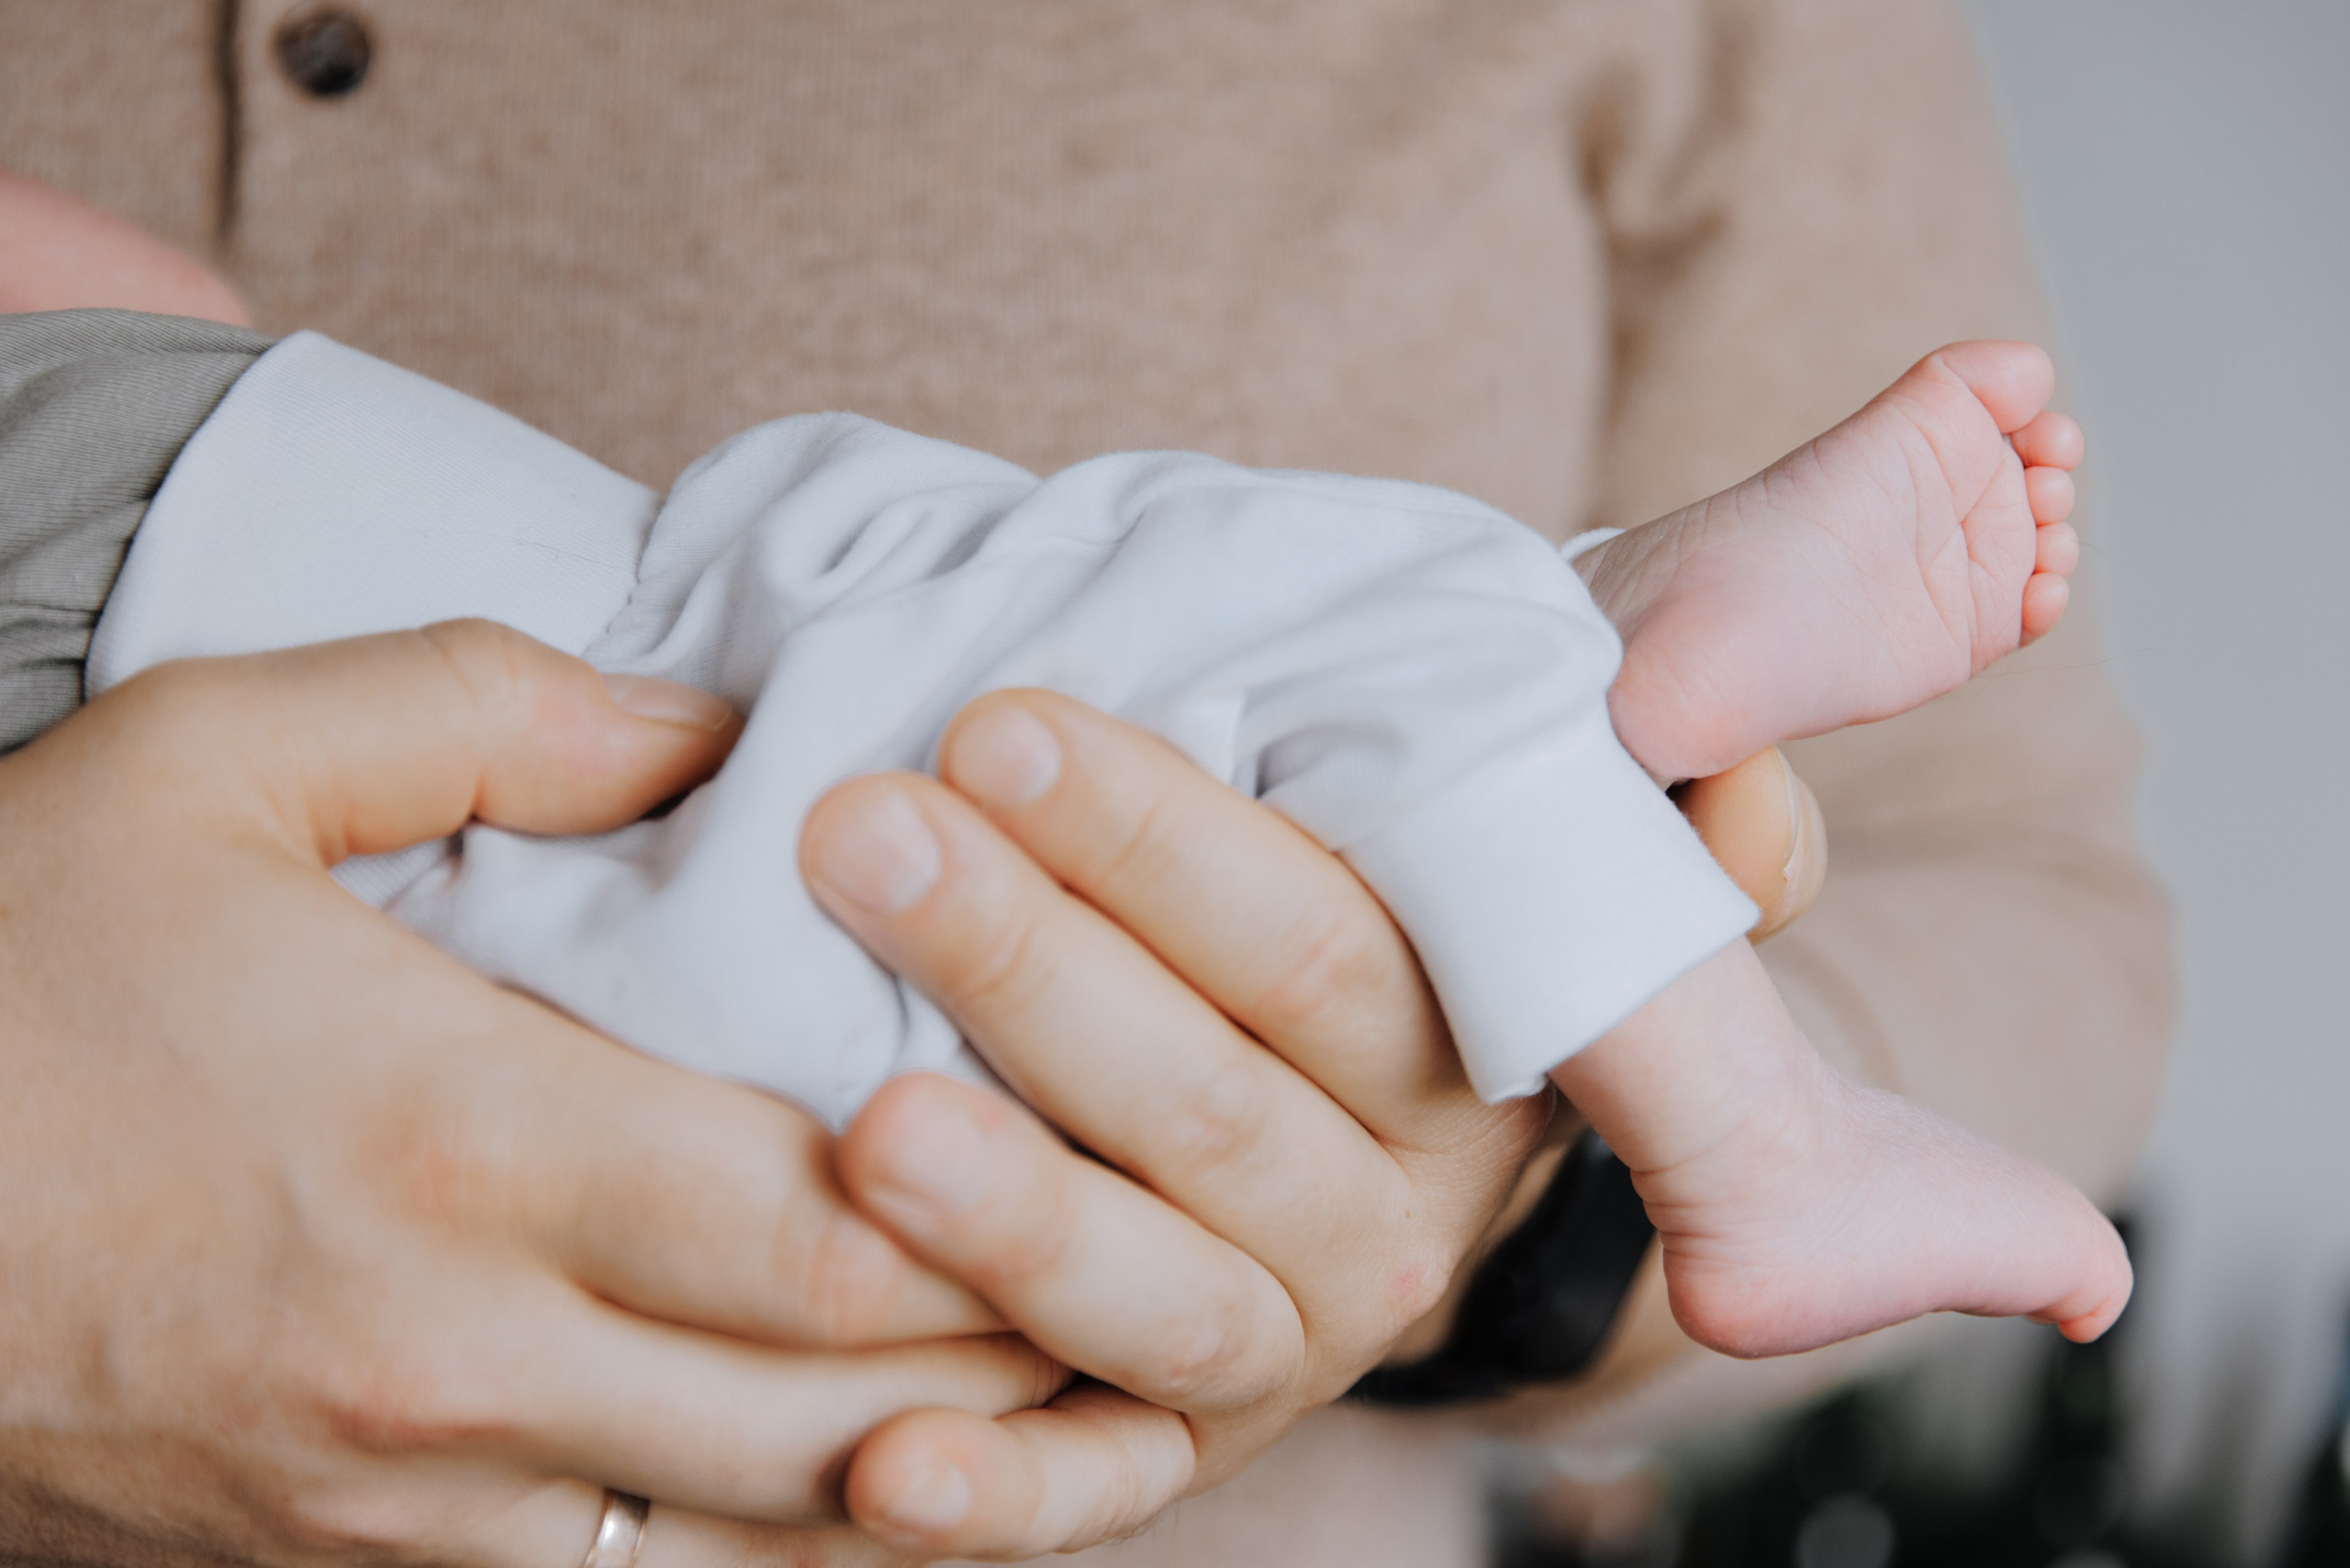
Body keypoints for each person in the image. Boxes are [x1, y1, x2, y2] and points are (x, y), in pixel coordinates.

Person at [0, 1, 2175, 1563]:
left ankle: (1581, 786)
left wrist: (1498, 1198)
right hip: (445, 771)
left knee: (939, 647)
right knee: (967, 663)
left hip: (366, 610)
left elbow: (2021, 888)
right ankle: (1611, 814)